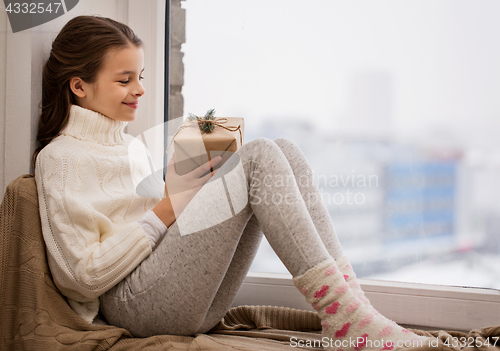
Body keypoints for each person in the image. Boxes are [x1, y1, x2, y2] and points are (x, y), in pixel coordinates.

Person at [33, 15, 430, 350]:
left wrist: (180, 186)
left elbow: (149, 221)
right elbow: (81, 278)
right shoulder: (61, 160)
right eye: (124, 81)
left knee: (284, 150)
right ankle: (346, 318)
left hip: (173, 292)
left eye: (140, 76)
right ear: (79, 85)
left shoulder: (130, 148)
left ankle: (352, 309)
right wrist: (170, 206)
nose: (139, 89)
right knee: (257, 156)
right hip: (130, 304)